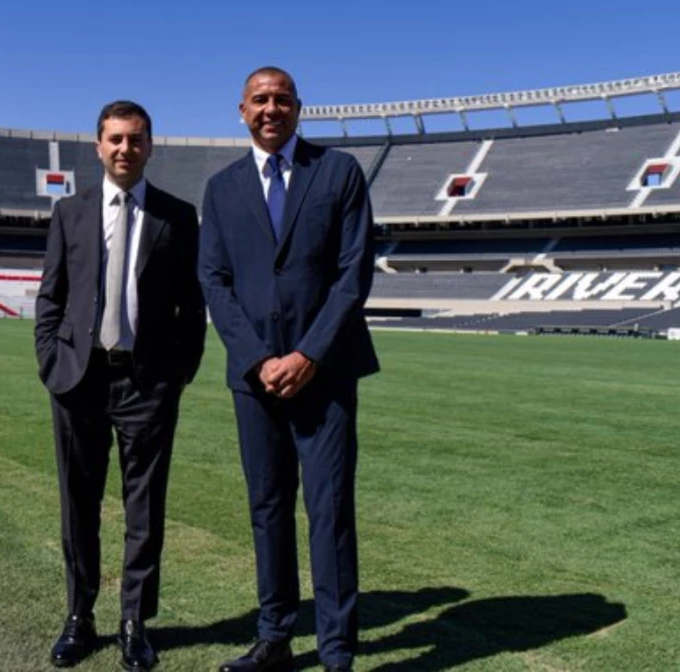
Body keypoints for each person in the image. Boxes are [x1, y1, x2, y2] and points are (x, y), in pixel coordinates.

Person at [198, 67, 379, 672]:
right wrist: (258, 359)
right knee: (267, 507)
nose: (270, 109)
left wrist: (308, 354)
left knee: (329, 512)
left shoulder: (339, 172)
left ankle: (336, 651)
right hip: (255, 379)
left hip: (324, 375)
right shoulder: (221, 189)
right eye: (259, 100)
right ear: (241, 110)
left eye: (281, 100)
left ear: (300, 108)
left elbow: (353, 274)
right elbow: (214, 282)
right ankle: (275, 637)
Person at [34, 100, 206, 671]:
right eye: (115, 139)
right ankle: (79, 617)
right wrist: (49, 363)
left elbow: (191, 305)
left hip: (146, 382)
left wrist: (177, 375)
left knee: (145, 509)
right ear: (98, 146)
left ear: (150, 146)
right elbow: (51, 297)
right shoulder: (69, 213)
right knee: (77, 505)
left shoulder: (178, 217)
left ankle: (135, 622)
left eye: (135, 139)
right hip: (78, 379)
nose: (124, 149)